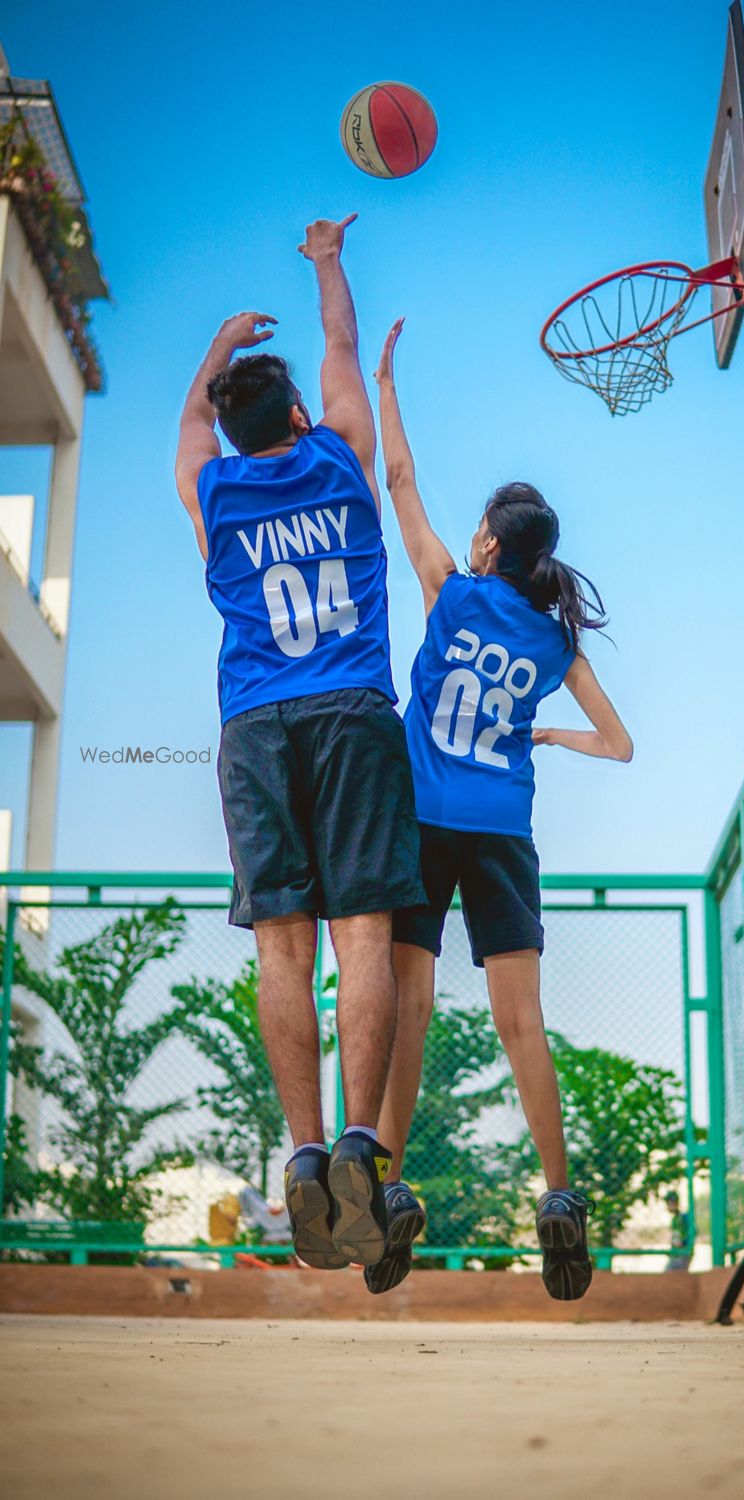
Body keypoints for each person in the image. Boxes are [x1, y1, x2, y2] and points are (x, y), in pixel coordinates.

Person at [173, 217, 425, 1272]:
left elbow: (190, 419)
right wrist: (325, 261)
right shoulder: (342, 457)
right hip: (352, 713)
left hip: (256, 726)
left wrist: (215, 351)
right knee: (363, 934)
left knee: (284, 945)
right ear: (299, 415)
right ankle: (363, 1143)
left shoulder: (214, 491)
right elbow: (338, 349)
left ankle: (306, 1151)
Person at [365, 318, 634, 1300]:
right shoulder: (554, 645)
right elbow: (622, 744)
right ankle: (559, 1201)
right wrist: (550, 735)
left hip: (424, 826)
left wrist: (388, 384)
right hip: (502, 834)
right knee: (524, 1025)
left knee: (410, 1011)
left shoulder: (448, 592)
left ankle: (391, 1188)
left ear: (488, 541)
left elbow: (399, 485)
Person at [665, 1190, 692, 1272]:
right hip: (676, 1253)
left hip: (683, 1251)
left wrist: (684, 1242)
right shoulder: (674, 1219)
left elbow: (693, 1232)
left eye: (670, 1204)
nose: (669, 1206)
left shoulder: (684, 1217)